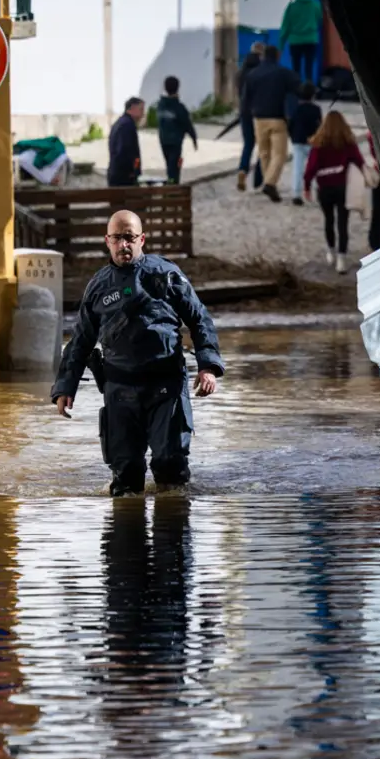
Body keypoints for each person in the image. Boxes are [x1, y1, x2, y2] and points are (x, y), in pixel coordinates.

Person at [51, 210, 225, 496]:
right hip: (119, 391)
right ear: (107, 241)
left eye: (129, 237)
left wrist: (208, 366)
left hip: (165, 387)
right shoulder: (97, 287)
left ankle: (172, 527)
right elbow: (81, 339)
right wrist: (64, 388)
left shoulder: (166, 276)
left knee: (171, 468)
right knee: (126, 478)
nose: (123, 245)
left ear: (141, 239)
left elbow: (199, 319)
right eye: (117, 238)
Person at [302, 110, 366, 273]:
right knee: (343, 223)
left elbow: (311, 167)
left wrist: (307, 186)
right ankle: (341, 258)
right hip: (342, 186)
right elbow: (358, 160)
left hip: (325, 188)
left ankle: (330, 250)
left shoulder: (319, 144)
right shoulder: (347, 143)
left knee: (329, 220)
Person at [242, 45, 300, 203]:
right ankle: (270, 182)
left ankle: (269, 183)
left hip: (258, 118)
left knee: (264, 153)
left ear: (262, 57)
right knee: (280, 154)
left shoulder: (253, 74)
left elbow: (246, 98)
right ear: (277, 56)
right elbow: (298, 86)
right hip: (277, 117)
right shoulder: (283, 73)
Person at [279, 0, 323, 85]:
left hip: (295, 41)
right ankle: (309, 90)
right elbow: (320, 21)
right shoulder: (315, 5)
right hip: (311, 40)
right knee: (309, 68)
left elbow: (285, 28)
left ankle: (296, 91)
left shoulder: (291, 7)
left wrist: (280, 46)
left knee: (296, 68)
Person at [155, 76, 198, 185]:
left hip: (163, 139)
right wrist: (194, 138)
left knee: (169, 165)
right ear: (178, 88)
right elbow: (187, 124)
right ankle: (172, 188)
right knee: (174, 168)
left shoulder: (160, 105)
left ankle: (171, 185)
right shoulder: (179, 107)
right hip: (175, 141)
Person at [236, 42, 266, 192]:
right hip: (259, 113)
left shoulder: (241, 72)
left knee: (248, 144)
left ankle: (242, 169)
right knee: (262, 145)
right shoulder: (261, 72)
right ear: (261, 55)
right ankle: (258, 179)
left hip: (243, 112)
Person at [287, 81, 323, 205]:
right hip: (313, 142)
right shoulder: (316, 109)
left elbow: (290, 125)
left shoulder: (295, 109)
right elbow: (319, 126)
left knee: (298, 168)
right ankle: (319, 191)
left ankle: (296, 193)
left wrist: (292, 136)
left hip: (298, 141)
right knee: (316, 167)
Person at [108, 97, 145, 187]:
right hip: (124, 176)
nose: (143, 114)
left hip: (116, 172)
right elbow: (125, 150)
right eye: (141, 109)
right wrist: (132, 171)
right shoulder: (127, 125)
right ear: (132, 108)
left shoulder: (120, 122)